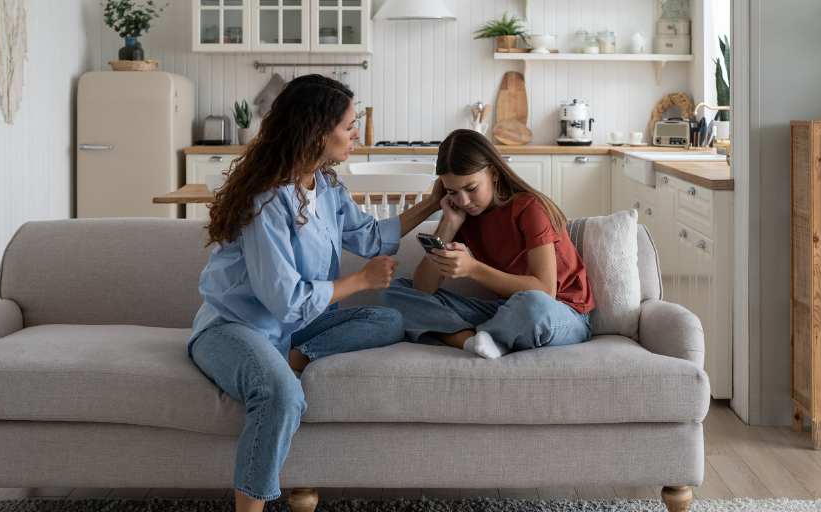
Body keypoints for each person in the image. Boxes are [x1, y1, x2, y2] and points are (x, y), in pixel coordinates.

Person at [187, 74, 442, 511]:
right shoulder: (265, 200)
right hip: (236, 329)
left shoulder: (325, 189)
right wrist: (360, 281)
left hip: (296, 328)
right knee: (283, 396)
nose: (356, 132)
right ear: (317, 131)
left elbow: (369, 237)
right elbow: (284, 299)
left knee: (390, 319)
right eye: (348, 124)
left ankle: (294, 358)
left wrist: (432, 203)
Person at [384, 128, 595, 359]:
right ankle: (472, 341)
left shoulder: (529, 208)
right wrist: (449, 224)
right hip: (506, 311)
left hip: (562, 313)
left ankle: (487, 335)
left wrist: (473, 268)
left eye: (471, 188)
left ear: (493, 173)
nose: (463, 201)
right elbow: (422, 289)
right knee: (396, 292)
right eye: (452, 192)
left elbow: (545, 291)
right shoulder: (464, 214)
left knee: (532, 304)